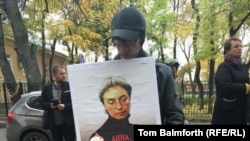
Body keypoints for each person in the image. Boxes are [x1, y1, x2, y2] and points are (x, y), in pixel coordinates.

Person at [105, 7, 184, 125]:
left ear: (141, 40)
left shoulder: (161, 73)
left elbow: (175, 116)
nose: (123, 48)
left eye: (129, 41)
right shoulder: (105, 74)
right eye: (117, 41)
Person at [211, 36, 250, 125]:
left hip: (241, 114)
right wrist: (245, 88)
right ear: (227, 50)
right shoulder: (224, 67)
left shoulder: (243, 67)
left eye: (241, 46)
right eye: (236, 46)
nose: (240, 48)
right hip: (226, 115)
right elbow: (224, 87)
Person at [89, 76, 134, 141]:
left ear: (129, 100)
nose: (119, 107)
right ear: (104, 105)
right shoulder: (98, 137)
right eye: (111, 102)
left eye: (123, 99)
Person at [40, 65, 76, 141]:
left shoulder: (69, 86)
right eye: (61, 73)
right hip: (54, 124)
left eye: (65, 73)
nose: (64, 76)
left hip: (68, 123)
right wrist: (49, 106)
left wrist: (65, 106)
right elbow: (42, 103)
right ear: (54, 75)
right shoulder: (46, 88)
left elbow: (76, 103)